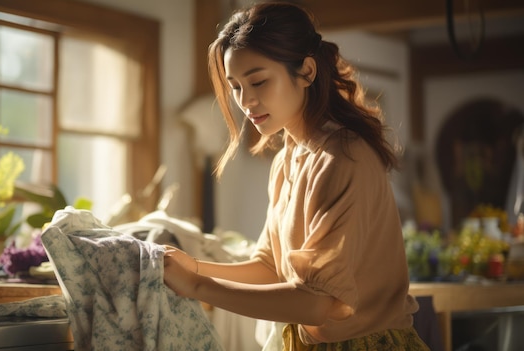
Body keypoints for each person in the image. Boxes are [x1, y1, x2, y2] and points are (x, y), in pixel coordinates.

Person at [163, 2, 430, 350]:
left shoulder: (343, 158)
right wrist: (195, 267)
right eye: (236, 87)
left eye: (258, 81)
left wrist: (197, 286)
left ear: (306, 71)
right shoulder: (288, 159)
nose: (246, 101)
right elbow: (270, 267)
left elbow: (315, 303)